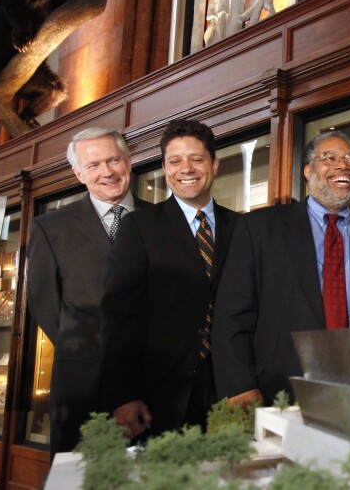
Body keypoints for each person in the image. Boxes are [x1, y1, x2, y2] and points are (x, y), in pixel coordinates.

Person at [100, 119, 238, 440]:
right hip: (160, 394)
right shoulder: (139, 227)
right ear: (164, 168)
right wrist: (123, 396)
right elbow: (119, 317)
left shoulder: (242, 228)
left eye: (197, 159)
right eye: (175, 161)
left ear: (214, 164)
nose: (185, 168)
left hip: (229, 390)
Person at [212, 132, 350, 408]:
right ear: (308, 171)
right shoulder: (259, 229)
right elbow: (232, 315)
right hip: (280, 390)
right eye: (329, 158)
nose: (343, 165)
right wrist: (240, 385)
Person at [26, 128, 151, 456]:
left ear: (129, 161)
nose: (107, 172)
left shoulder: (163, 220)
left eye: (113, 160)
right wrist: (92, 349)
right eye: (94, 165)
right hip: (83, 384)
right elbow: (44, 304)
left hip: (157, 382)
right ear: (78, 173)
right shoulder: (50, 228)